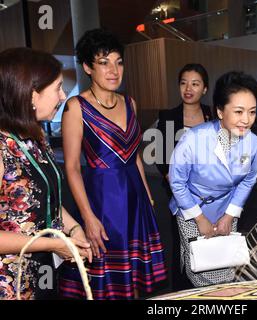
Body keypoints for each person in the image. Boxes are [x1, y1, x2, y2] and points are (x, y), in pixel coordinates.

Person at [59, 29, 166, 300]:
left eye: (118, 62)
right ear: (87, 67)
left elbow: (135, 154)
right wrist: (88, 216)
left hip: (135, 197)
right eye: (104, 62)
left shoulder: (130, 102)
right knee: (105, 280)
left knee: (137, 278)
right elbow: (71, 167)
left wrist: (148, 194)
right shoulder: (76, 107)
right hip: (103, 200)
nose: (114, 70)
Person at [0, 47, 92, 300]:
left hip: (43, 271)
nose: (63, 96)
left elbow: (46, 198)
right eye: (58, 88)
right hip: (10, 284)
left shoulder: (36, 135)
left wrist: (73, 229)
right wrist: (54, 244)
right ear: (31, 95)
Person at [168, 71, 257, 287]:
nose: (246, 120)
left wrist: (230, 215)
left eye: (252, 112)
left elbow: (248, 180)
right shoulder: (193, 139)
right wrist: (199, 219)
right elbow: (177, 182)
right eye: (238, 112)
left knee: (227, 263)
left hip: (226, 207)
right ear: (220, 111)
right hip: (191, 207)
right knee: (201, 266)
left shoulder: (253, 143)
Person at [156, 63, 212, 291]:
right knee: (183, 243)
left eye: (195, 84)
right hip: (181, 195)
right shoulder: (168, 117)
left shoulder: (213, 115)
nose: (188, 88)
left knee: (212, 241)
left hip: (213, 193)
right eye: (183, 83)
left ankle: (210, 288)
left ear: (204, 89)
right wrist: (176, 183)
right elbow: (161, 158)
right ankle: (182, 291)